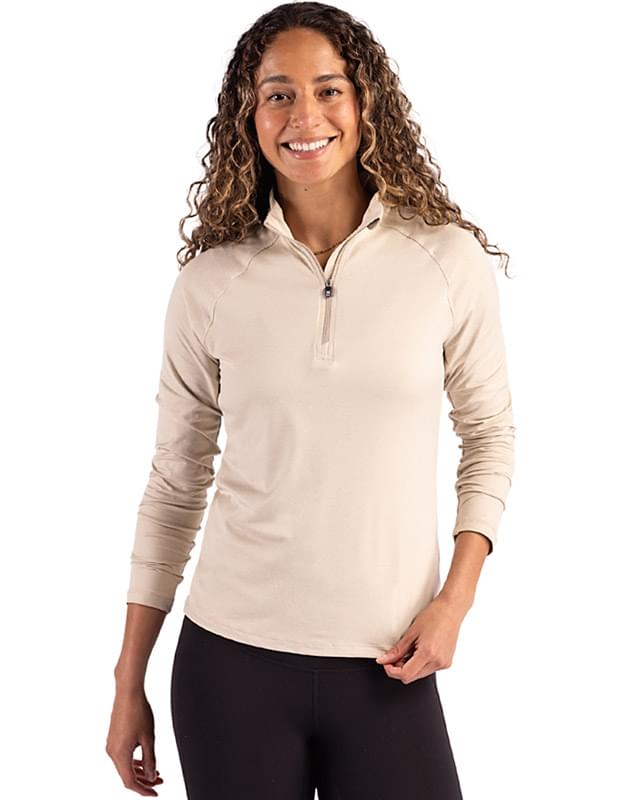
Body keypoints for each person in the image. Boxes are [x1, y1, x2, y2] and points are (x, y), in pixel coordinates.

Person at [106, 3, 516, 798]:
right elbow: (175, 483)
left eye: (329, 90)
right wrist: (128, 682)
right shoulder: (212, 283)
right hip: (230, 666)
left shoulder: (444, 260)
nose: (305, 116)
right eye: (279, 95)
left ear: (365, 104)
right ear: (249, 115)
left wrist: (455, 601)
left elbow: (490, 434)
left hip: (392, 661)